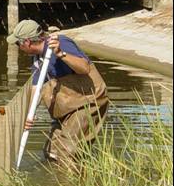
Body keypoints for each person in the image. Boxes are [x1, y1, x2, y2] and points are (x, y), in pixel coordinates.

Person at [7, 19, 109, 164]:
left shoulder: (61, 43)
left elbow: (84, 68)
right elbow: (37, 88)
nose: (18, 48)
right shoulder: (36, 59)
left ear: (27, 42)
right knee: (51, 152)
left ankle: (73, 184)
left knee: (68, 151)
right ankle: (61, 182)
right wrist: (30, 114)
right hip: (67, 106)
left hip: (88, 101)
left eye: (18, 44)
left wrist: (60, 53)